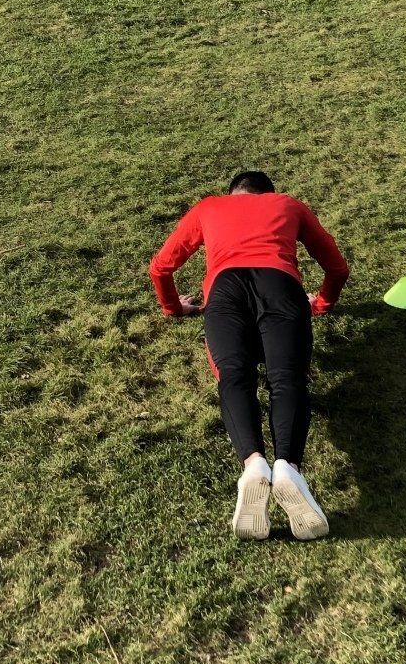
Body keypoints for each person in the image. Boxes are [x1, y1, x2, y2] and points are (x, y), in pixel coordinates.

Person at [150, 171, 349, 541]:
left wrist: (173, 308)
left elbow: (160, 267)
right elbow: (337, 268)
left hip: (225, 292)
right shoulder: (288, 205)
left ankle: (254, 463)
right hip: (280, 287)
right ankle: (288, 466)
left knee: (234, 375)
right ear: (267, 194)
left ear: (233, 194)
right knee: (287, 378)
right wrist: (320, 304)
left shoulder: (209, 207)